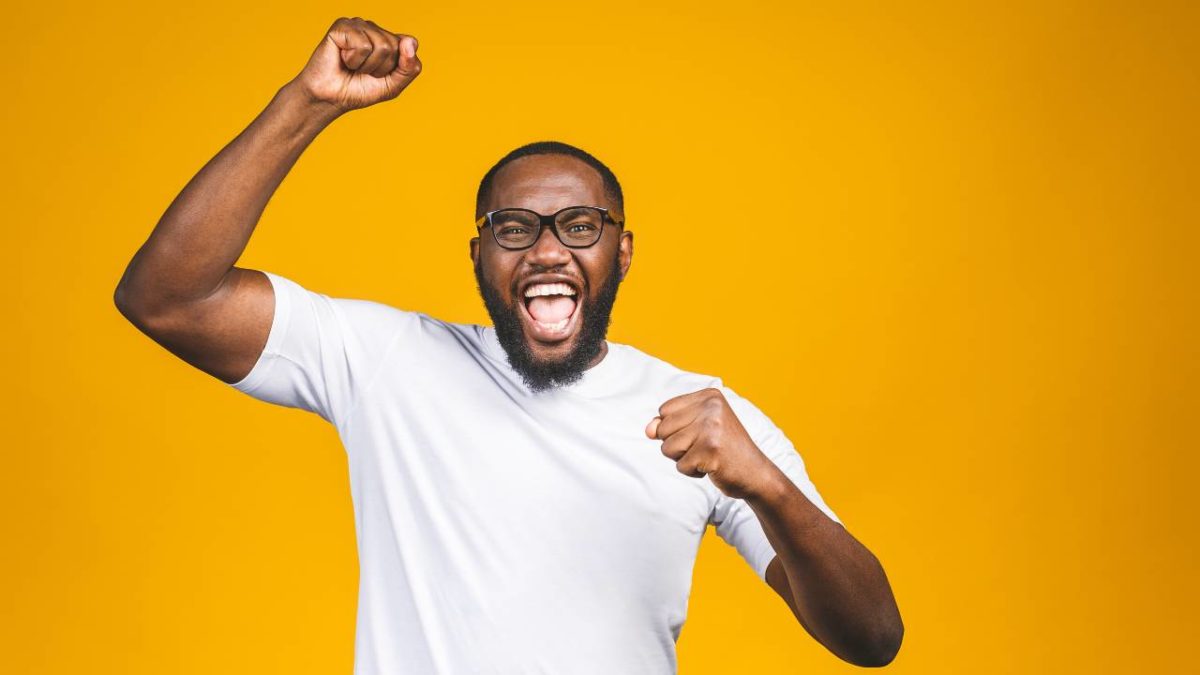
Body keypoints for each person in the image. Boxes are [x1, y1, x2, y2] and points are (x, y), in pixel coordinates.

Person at [114, 16, 903, 674]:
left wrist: (766, 484)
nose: (549, 251)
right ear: (479, 257)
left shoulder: (707, 421)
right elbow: (167, 297)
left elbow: (873, 637)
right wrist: (307, 102)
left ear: (621, 253)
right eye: (515, 229)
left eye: (581, 227)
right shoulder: (388, 363)